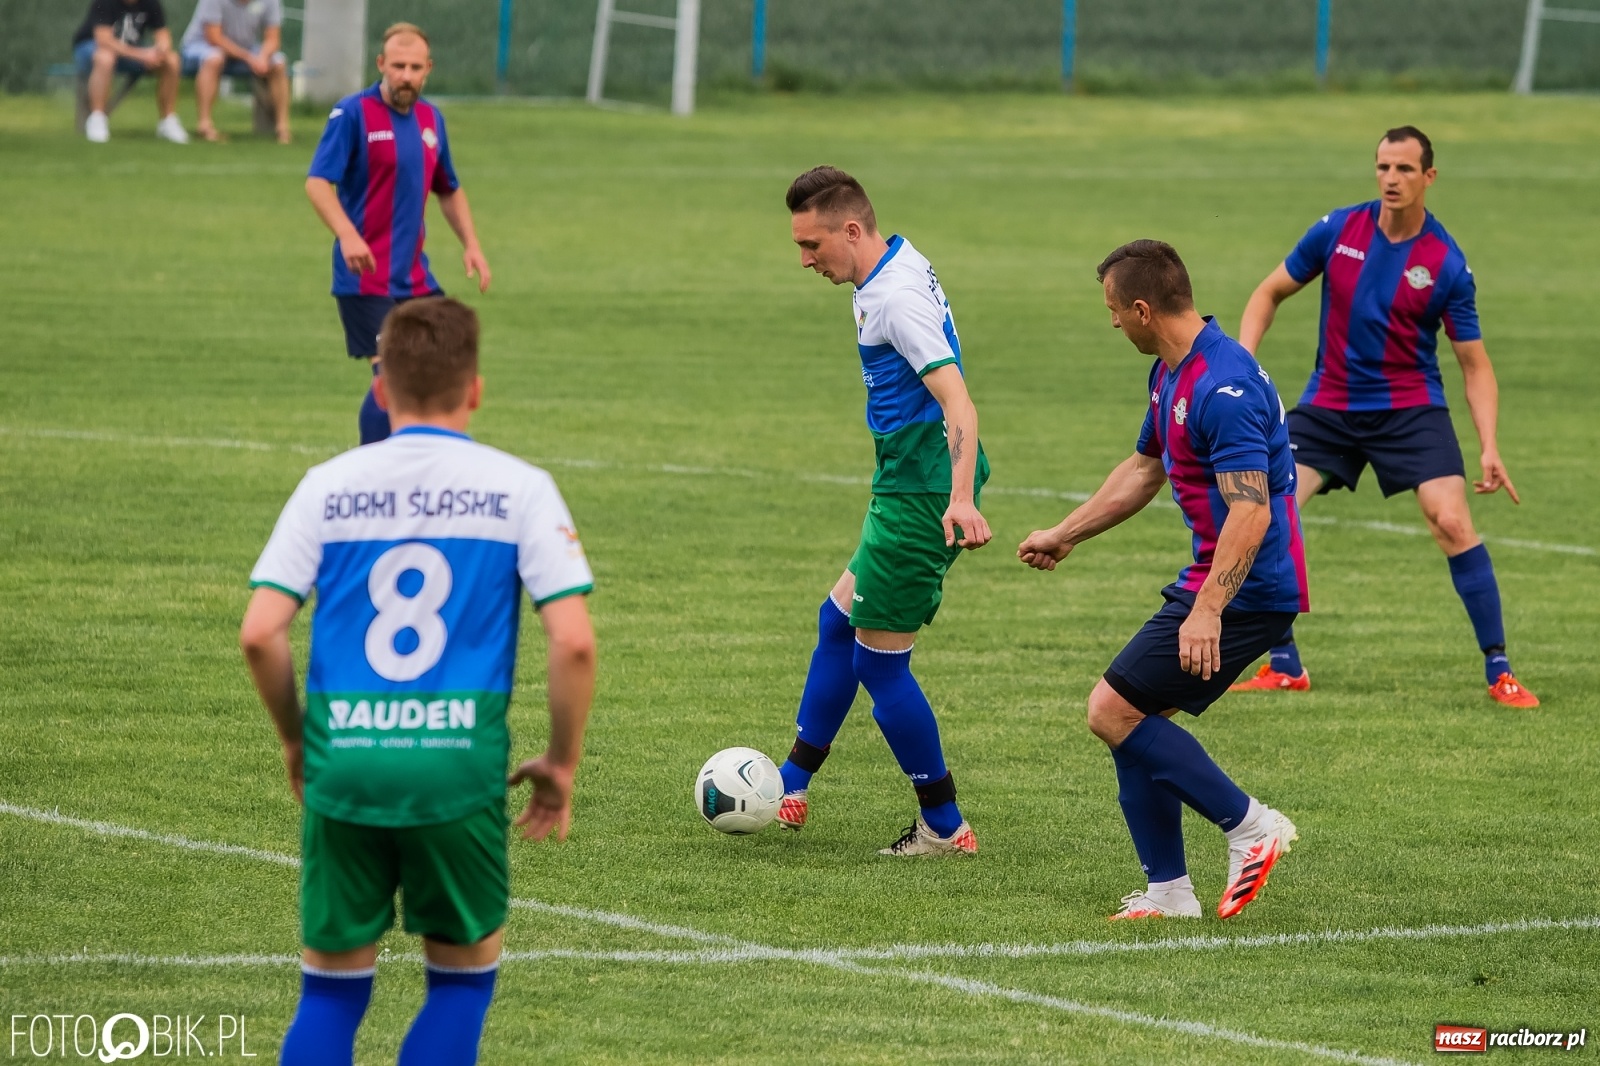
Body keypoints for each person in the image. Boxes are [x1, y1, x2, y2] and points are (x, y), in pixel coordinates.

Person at [240, 297, 596, 1066]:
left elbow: (260, 632)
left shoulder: (327, 486)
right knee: (460, 984)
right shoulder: (518, 489)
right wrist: (560, 763)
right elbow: (572, 643)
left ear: (379, 388)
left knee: (331, 994)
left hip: (349, 759)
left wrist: (299, 742)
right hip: (457, 770)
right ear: (475, 389)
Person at [1018, 241, 1304, 920]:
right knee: (1133, 718)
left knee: (1109, 709)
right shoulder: (1171, 373)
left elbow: (1252, 508)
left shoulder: (1222, 386)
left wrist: (1206, 610)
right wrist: (1067, 533)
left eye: (1116, 311)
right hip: (1217, 580)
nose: (1113, 323)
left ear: (1143, 309)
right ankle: (1169, 893)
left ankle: (1251, 826)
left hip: (1247, 589)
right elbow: (1144, 469)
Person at [1229, 126, 1538, 708]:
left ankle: (1499, 668)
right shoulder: (1338, 229)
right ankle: (1284, 662)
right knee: (1263, 510)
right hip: (1329, 406)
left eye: (1403, 169)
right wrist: (1244, 365)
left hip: (1410, 410)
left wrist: (1489, 445)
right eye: (1382, 167)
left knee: (1449, 520)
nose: (1391, 179)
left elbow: (1475, 365)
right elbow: (1267, 293)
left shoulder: (1445, 262)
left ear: (1428, 177)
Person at [774, 166, 991, 857]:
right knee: (835, 619)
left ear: (851, 229)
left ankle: (943, 823)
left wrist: (959, 498)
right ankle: (791, 782)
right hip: (904, 477)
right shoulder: (889, 264)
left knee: (881, 666)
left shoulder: (894, 299)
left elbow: (958, 401)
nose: (806, 261)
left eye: (813, 246)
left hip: (922, 492)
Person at [305, 22, 491, 447]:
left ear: (429, 68)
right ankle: (375, 468)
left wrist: (472, 246)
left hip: (415, 279)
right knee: (390, 374)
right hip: (365, 278)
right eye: (397, 66)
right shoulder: (352, 113)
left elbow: (449, 188)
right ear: (381, 65)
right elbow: (317, 183)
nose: (405, 75)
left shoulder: (431, 119)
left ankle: (428, 457)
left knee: (442, 366)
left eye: (414, 67)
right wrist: (348, 236)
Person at [72, 0, 189, 145]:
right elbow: (104, 40)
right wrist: (142, 55)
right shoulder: (104, 2)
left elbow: (163, 35)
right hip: (91, 48)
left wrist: (159, 52)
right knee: (105, 58)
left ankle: (168, 121)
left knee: (172, 61)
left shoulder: (151, 3)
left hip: (130, 50)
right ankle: (97, 118)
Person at [179, 0, 290, 144]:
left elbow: (273, 39)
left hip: (246, 49)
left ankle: (282, 127)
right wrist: (249, 58)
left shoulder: (271, 2)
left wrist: (262, 57)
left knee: (278, 63)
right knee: (214, 58)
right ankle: (204, 125)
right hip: (200, 46)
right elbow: (214, 38)